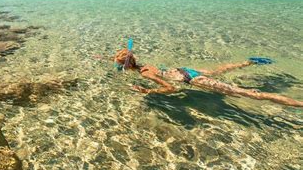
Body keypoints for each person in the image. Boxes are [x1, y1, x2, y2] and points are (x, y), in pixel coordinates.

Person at [113, 48, 303, 107]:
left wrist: (147, 91)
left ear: (126, 67)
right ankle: (250, 62)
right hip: (186, 70)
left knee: (250, 94)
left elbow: (172, 88)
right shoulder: (145, 65)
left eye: (119, 66)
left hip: (192, 80)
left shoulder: (145, 73)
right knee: (220, 70)